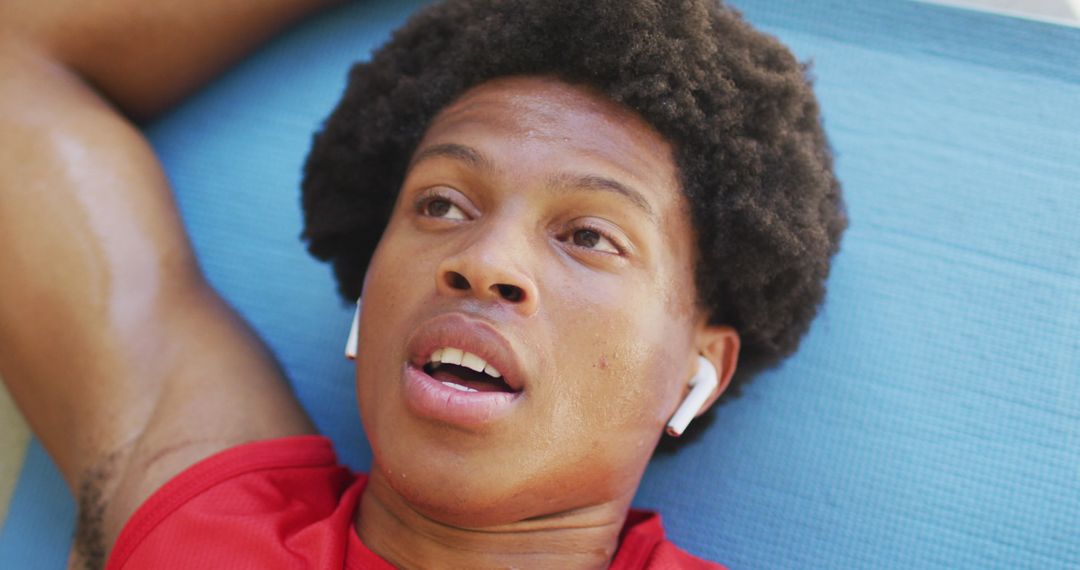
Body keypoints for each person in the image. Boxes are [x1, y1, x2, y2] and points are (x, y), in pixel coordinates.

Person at [0, 0, 845, 568]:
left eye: (589, 236)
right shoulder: (210, 526)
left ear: (701, 368)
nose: (485, 261)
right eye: (442, 204)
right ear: (372, 288)